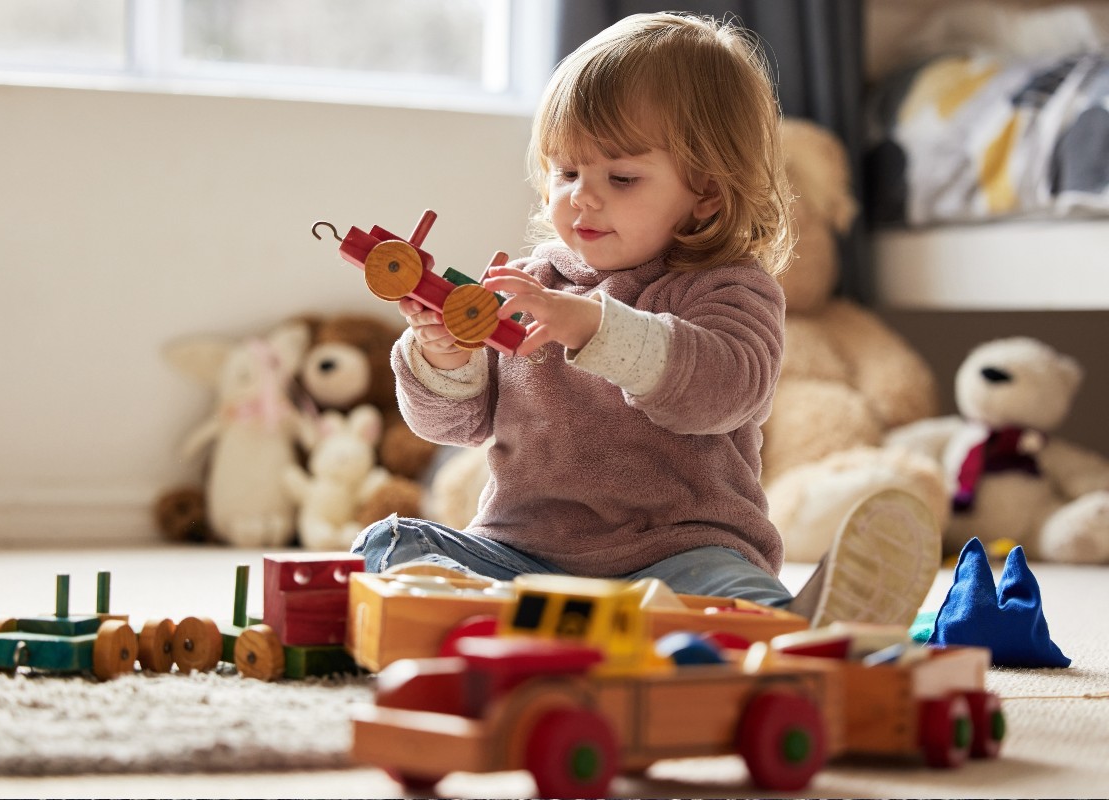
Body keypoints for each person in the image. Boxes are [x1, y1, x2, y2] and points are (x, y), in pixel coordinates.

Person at [351, 12, 939, 627]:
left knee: (731, 594)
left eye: (622, 177)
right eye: (567, 171)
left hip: (677, 556)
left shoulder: (730, 287)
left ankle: (798, 628)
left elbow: (723, 391)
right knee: (387, 546)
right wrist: (446, 353)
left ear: (707, 192)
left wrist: (593, 327)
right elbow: (455, 424)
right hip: (524, 552)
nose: (582, 196)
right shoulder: (533, 284)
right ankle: (512, 617)